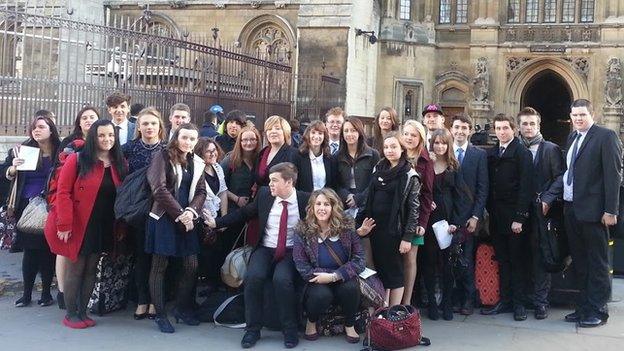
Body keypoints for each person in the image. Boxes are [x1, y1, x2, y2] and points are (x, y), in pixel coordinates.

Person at [205, 162, 310, 349]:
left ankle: (290, 329)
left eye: (274, 180)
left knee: (282, 280)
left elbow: (327, 216)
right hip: (265, 248)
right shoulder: (264, 195)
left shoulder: (304, 200)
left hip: (291, 251)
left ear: (289, 182)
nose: (269, 184)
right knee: (253, 277)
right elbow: (244, 213)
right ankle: (252, 329)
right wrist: (217, 223)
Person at [545, 99, 622, 327]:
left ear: (592, 114)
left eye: (582, 115)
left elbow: (613, 175)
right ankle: (583, 307)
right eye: (575, 115)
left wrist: (611, 210)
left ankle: (598, 311)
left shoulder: (605, 137)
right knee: (579, 262)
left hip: (595, 212)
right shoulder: (572, 137)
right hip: (572, 209)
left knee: (597, 263)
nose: (578, 118)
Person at [44, 119, 127, 329]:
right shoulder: (78, 159)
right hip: (79, 223)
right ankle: (71, 314)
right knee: (76, 268)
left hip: (104, 224)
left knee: (92, 269)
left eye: (110, 135)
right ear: (93, 137)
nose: (107, 139)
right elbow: (63, 192)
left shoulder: (119, 162)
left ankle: (83, 311)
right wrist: (64, 224)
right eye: (101, 135)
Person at [144, 123, 207, 333]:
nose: (187, 142)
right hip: (164, 218)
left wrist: (190, 212)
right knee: (159, 266)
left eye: (192, 139)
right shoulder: (162, 156)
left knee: (191, 265)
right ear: (176, 137)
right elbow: (159, 188)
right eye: (184, 137)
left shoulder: (197, 161)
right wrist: (180, 214)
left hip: (187, 218)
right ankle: (161, 315)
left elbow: (201, 191)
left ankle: (181, 308)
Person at [293, 188, 366, 344]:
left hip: (342, 276)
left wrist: (335, 276)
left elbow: (360, 260)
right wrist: (323, 277)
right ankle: (311, 321)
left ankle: (349, 324)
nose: (322, 208)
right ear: (311, 207)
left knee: (351, 288)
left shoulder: (347, 227)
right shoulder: (302, 230)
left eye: (326, 204)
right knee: (321, 295)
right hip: (317, 279)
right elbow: (301, 264)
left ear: (333, 207)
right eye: (318, 204)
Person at [356, 132, 421, 307]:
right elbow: (368, 196)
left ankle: (393, 311)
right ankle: (382, 310)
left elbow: (414, 209)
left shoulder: (409, 174)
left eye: (394, 147)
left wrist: (407, 237)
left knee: (395, 273)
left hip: (395, 231)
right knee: (379, 271)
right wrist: (360, 223)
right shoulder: (378, 169)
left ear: (402, 149)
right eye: (386, 147)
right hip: (375, 229)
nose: (389, 150)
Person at [2, 115, 60, 307]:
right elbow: (5, 172)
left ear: (51, 130)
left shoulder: (61, 150)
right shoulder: (22, 150)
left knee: (48, 251)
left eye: (41, 127)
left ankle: (45, 293)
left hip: (52, 206)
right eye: (34, 128)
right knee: (29, 251)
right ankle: (26, 294)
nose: (36, 130)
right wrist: (12, 169)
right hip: (27, 207)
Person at [482, 114, 533, 321]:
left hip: (515, 219)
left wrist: (520, 218)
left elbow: (526, 187)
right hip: (496, 217)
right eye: (498, 128)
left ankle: (519, 303)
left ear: (514, 129)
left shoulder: (522, 153)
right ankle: (505, 300)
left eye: (505, 128)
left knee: (517, 260)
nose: (502, 132)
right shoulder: (493, 152)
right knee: (502, 260)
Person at [517, 107, 565, 320]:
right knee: (520, 255)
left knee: (540, 257)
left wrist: (547, 198)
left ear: (539, 125)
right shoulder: (515, 148)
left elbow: (560, 177)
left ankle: (540, 302)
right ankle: (520, 300)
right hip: (518, 212)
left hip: (541, 212)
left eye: (532, 124)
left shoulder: (551, 149)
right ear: (519, 126)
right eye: (525, 124)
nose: (528, 127)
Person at [121, 107, 167, 320]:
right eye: (145, 123)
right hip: (138, 210)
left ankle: (156, 300)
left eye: (153, 124)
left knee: (158, 257)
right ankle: (141, 299)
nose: (149, 127)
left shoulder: (167, 149)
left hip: (161, 209)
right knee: (141, 256)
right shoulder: (129, 148)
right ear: (138, 126)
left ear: (160, 127)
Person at [53, 106, 99, 309]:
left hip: (95, 211)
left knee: (87, 262)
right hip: (71, 209)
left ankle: (81, 301)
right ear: (79, 122)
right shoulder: (71, 145)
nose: (89, 120)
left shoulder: (104, 143)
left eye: (93, 117)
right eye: (85, 117)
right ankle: (64, 294)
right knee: (66, 253)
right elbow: (62, 184)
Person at [422, 128, 470, 321]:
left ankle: (447, 302)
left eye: (443, 143)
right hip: (430, 220)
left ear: (448, 145)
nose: (439, 146)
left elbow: (462, 197)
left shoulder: (453, 166)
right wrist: (427, 201)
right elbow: (420, 190)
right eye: (436, 142)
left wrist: (456, 223)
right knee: (429, 264)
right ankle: (432, 303)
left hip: (448, 221)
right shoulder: (426, 165)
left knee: (447, 266)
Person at [450, 114, 488, 316]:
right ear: (451, 129)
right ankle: (453, 297)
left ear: (470, 130)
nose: (460, 131)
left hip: (468, 217)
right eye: (457, 127)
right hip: (448, 216)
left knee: (466, 259)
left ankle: (468, 299)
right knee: (449, 260)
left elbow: (483, 188)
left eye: (464, 128)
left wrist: (475, 216)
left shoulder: (478, 155)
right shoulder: (444, 152)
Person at [400, 119, 434, 305]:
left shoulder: (425, 160)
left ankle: (406, 302)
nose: (409, 138)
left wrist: (422, 222)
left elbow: (428, 194)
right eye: (406, 134)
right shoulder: (397, 154)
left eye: (413, 135)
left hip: (414, 216)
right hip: (396, 216)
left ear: (420, 137)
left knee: (410, 260)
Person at [194, 138, 229, 286]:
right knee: (204, 255)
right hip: (201, 220)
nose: (212, 153)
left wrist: (224, 218)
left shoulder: (218, 168)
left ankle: (215, 284)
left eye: (214, 150)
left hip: (218, 217)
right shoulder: (196, 170)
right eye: (208, 151)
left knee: (217, 253)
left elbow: (223, 192)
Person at [335, 117, 379, 216]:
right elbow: (335, 183)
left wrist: (359, 198)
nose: (349, 134)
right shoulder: (337, 156)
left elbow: (375, 181)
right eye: (346, 131)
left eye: (353, 130)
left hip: (366, 204)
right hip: (344, 204)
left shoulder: (373, 154)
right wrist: (347, 196)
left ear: (359, 132)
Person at [254, 115, 299, 187]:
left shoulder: (294, 154)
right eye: (269, 129)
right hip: (262, 196)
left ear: (285, 132)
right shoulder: (262, 153)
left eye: (277, 128)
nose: (273, 132)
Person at [296, 121, 336, 192]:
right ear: (308, 135)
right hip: (305, 200)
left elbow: (333, 185)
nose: (316, 136)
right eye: (313, 133)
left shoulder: (330, 159)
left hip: (324, 200)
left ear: (324, 136)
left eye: (320, 133)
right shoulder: (298, 157)